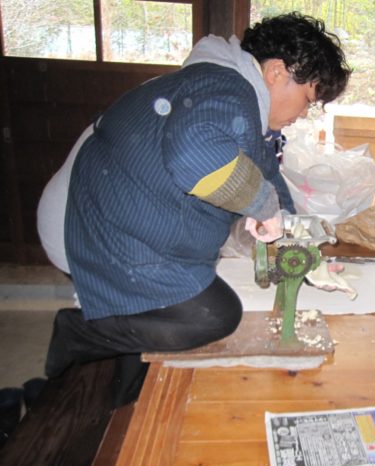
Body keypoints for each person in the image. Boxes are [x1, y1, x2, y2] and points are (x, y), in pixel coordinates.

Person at [39, 12, 351, 406]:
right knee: (211, 315)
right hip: (89, 224)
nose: (302, 114)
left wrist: (301, 245)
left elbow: (269, 178)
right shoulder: (228, 88)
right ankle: (79, 332)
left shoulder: (236, 98)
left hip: (112, 216)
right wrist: (264, 207)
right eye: (307, 100)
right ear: (276, 72)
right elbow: (195, 154)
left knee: (171, 308)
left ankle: (124, 398)